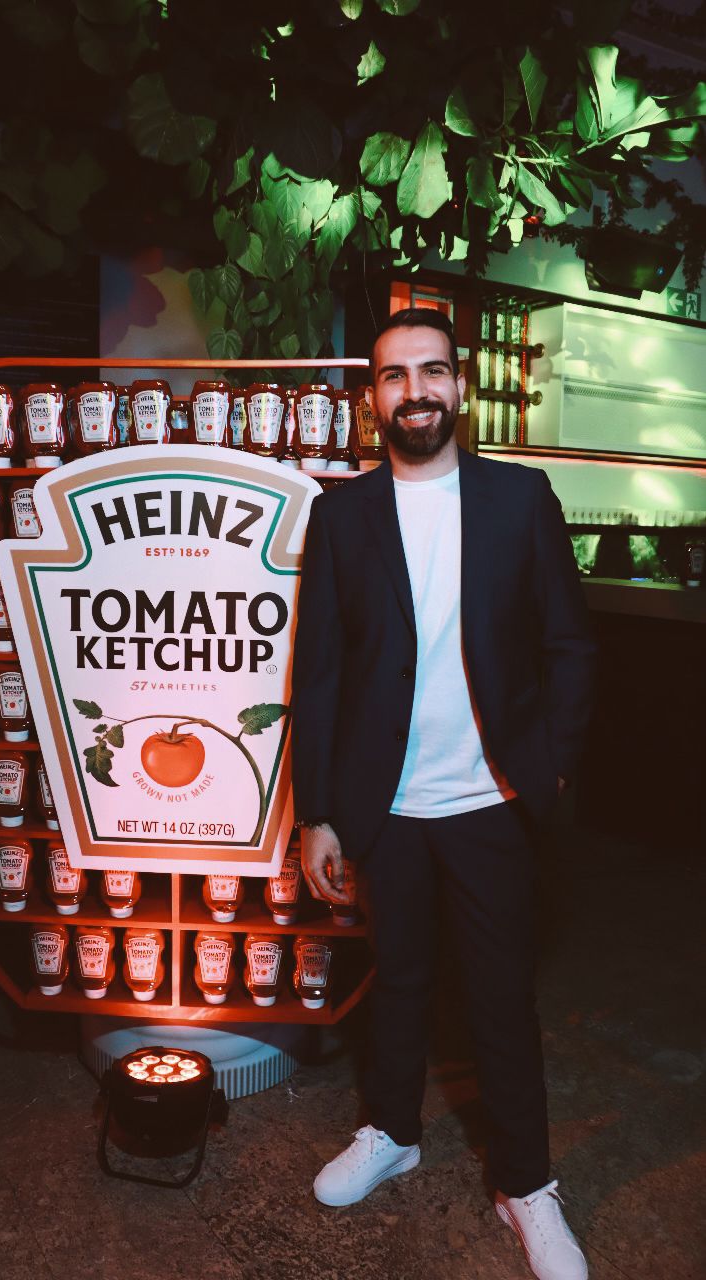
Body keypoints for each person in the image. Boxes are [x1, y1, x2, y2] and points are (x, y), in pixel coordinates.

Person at [290, 308, 596, 1280]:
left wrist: (548, 762)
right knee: (398, 981)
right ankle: (391, 1131)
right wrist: (316, 811)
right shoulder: (341, 514)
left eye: (431, 371)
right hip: (384, 806)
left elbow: (568, 643)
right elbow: (320, 672)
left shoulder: (518, 497)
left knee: (500, 998)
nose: (414, 390)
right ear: (371, 397)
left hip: (488, 800)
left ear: (458, 384)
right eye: (394, 375)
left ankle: (525, 1185)